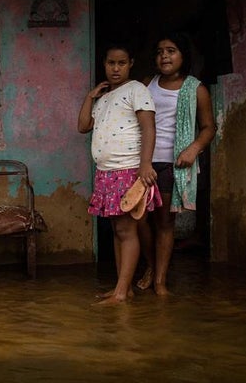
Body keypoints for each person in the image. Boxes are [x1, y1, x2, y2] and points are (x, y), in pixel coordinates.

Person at [78, 43, 159, 305]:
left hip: (127, 169)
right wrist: (90, 96)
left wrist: (145, 164)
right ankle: (122, 288)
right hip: (106, 172)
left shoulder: (136, 90)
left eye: (121, 63)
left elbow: (148, 127)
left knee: (127, 231)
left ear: (130, 64)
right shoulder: (102, 99)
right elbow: (82, 126)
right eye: (111, 63)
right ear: (104, 64)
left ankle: (122, 293)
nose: (115, 68)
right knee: (116, 231)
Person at [136, 32, 216, 296]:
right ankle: (150, 265)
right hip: (142, 162)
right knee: (138, 220)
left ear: (183, 55)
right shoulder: (147, 83)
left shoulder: (196, 89)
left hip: (172, 164)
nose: (164, 56)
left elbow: (208, 127)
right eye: (160, 51)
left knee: (164, 223)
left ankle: (160, 280)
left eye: (171, 50)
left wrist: (193, 149)